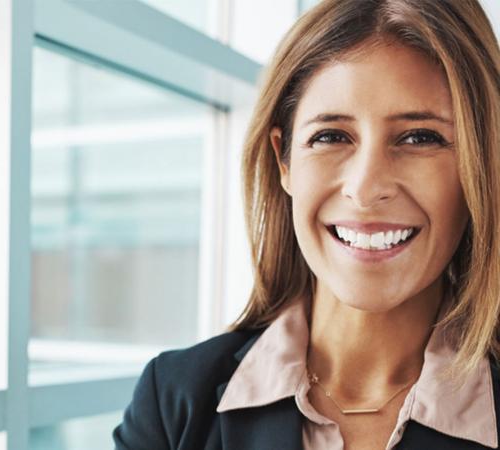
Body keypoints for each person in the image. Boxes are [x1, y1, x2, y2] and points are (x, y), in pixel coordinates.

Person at [112, 0, 500, 449]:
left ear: (481, 162)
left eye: (420, 137)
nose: (366, 187)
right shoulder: (172, 404)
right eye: (331, 136)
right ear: (284, 159)